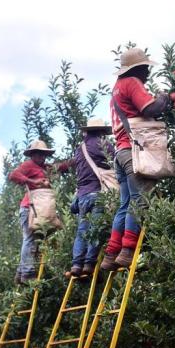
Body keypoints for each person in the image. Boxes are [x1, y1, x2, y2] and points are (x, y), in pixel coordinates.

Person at [100, 47, 171, 271]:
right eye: (146, 68)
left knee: (125, 204)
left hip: (120, 153)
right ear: (138, 68)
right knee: (139, 202)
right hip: (134, 152)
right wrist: (165, 98)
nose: (148, 73)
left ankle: (111, 254)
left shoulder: (116, 89)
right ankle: (128, 250)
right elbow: (151, 108)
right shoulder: (132, 83)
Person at [8, 139, 70, 284]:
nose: (42, 157)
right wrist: (32, 182)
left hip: (39, 209)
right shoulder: (28, 165)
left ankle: (20, 272)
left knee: (37, 239)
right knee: (29, 239)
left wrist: (74, 161)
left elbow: (60, 167)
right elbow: (13, 175)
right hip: (29, 209)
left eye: (44, 154)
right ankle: (28, 273)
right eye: (39, 154)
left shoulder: (45, 167)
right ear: (33, 155)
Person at [67, 119, 114, 278]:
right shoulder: (104, 145)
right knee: (96, 228)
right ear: (101, 131)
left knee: (82, 230)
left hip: (82, 196)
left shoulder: (79, 149)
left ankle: (76, 264)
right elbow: (115, 162)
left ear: (87, 131)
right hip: (98, 192)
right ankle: (89, 263)